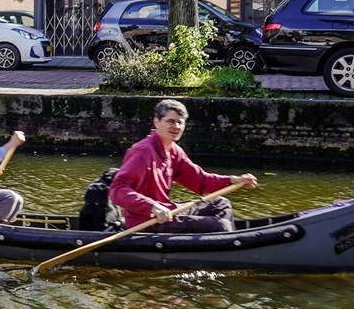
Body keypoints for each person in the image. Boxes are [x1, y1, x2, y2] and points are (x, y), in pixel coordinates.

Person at [109, 98, 257, 233]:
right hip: (147, 221)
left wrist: (232, 180)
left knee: (221, 204)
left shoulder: (174, 151)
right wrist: (152, 206)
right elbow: (117, 190)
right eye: (171, 121)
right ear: (156, 122)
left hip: (167, 212)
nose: (176, 126)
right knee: (220, 226)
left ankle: (225, 245)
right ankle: (226, 244)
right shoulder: (142, 152)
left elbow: (200, 181)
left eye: (180, 122)